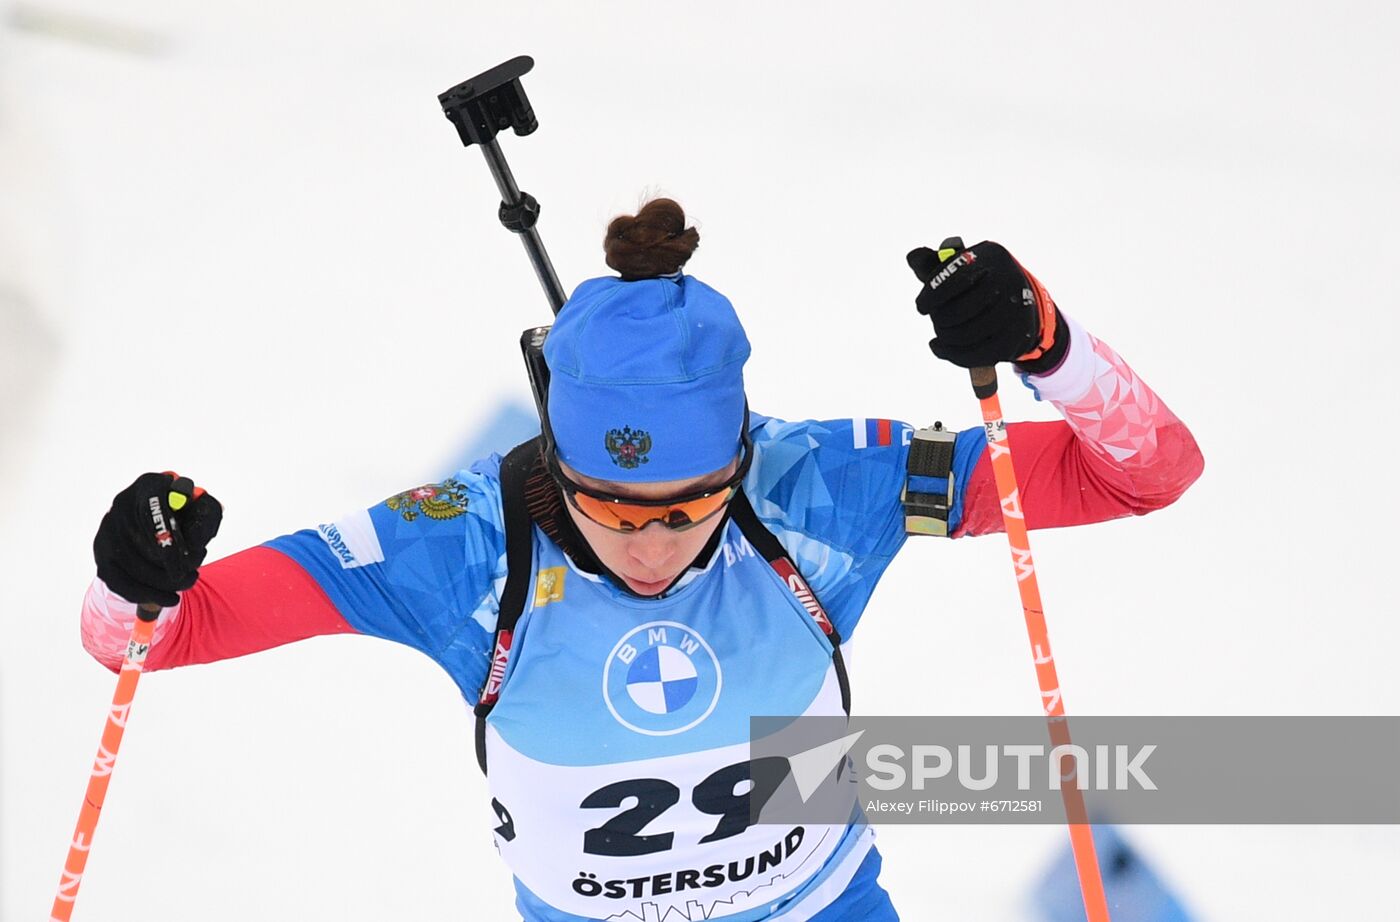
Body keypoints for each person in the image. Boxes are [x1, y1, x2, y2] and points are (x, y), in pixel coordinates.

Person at [82, 198, 1203, 920]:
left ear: (739, 456)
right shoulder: (457, 545)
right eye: (609, 509)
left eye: (690, 507)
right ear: (550, 463)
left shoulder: (813, 486)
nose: (651, 544)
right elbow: (151, 639)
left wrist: (1047, 344)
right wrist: (135, 573)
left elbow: (1144, 471)